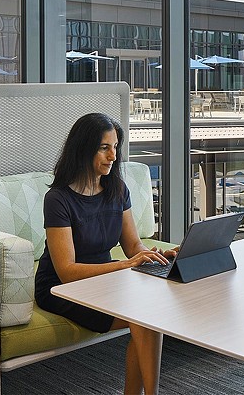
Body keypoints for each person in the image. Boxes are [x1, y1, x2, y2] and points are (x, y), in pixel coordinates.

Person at [35, 113, 174, 395]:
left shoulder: (117, 189)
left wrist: (158, 255)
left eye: (115, 147)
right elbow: (67, 271)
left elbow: (134, 246)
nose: (113, 156)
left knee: (150, 314)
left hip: (105, 280)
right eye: (104, 148)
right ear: (83, 148)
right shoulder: (59, 199)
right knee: (144, 317)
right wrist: (126, 265)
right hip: (63, 288)